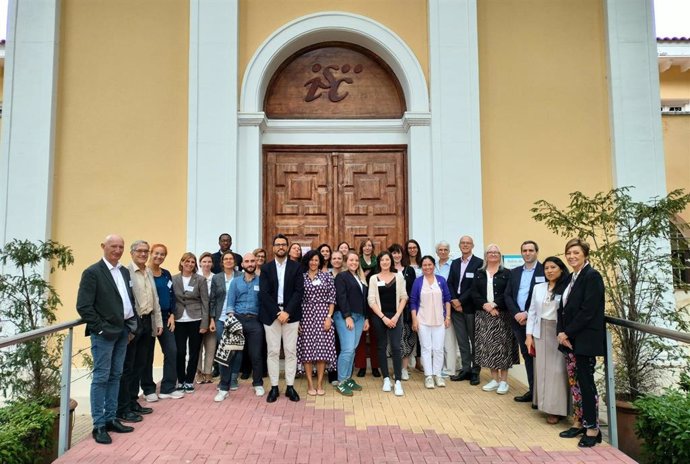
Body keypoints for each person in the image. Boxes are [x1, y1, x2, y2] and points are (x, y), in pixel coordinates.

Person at [76, 234, 136, 444]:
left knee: (116, 375)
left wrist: (130, 326)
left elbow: (129, 300)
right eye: (113, 246)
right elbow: (84, 306)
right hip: (104, 334)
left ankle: (111, 419)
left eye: (121, 246)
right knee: (101, 377)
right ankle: (98, 425)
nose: (117, 250)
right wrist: (100, 329)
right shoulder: (93, 272)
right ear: (103, 246)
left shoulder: (124, 271)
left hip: (122, 332)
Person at [557, 239, 605, 447]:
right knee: (575, 384)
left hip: (583, 339)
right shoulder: (571, 277)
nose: (571, 256)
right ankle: (579, 422)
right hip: (569, 340)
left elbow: (588, 311)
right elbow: (563, 308)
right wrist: (561, 332)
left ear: (585, 254)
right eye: (568, 253)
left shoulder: (592, 277)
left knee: (586, 384)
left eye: (576, 253)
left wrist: (567, 332)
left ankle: (593, 429)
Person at [117, 241, 163, 423]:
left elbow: (155, 299)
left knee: (140, 364)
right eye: (140, 251)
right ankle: (124, 406)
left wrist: (158, 321)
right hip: (133, 323)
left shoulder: (148, 272)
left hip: (147, 322)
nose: (143, 254)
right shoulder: (125, 272)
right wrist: (128, 326)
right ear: (132, 253)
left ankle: (134, 401)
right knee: (128, 366)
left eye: (146, 251)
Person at [259, 234, 304, 403]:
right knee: (273, 351)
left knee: (291, 351)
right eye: (277, 244)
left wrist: (287, 312)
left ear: (287, 247)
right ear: (273, 248)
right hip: (271, 315)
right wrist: (277, 313)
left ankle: (290, 387)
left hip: (291, 315)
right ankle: (275, 387)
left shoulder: (296, 267)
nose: (280, 247)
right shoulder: (266, 268)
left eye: (283, 244)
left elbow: (299, 292)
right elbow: (264, 293)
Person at [525, 256, 570, 424]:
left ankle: (556, 410)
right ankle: (543, 404)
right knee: (542, 370)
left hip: (558, 332)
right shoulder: (538, 287)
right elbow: (532, 312)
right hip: (540, 331)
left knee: (557, 371)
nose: (549, 271)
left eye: (553, 267)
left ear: (560, 269)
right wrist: (529, 336)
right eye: (546, 268)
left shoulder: (566, 288)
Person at [216, 253, 266, 400]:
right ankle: (224, 388)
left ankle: (258, 384)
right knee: (228, 354)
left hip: (255, 321)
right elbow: (230, 302)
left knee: (256, 355)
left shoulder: (262, 281)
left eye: (252, 261)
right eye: (247, 261)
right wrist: (231, 318)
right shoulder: (235, 282)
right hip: (237, 319)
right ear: (242, 264)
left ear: (256, 263)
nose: (250, 263)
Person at [472, 244, 518, 395]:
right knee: (489, 348)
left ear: (500, 255)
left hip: (501, 315)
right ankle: (494, 379)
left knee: (502, 348)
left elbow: (508, 292)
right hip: (484, 315)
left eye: (496, 252)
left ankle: (504, 381)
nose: (492, 254)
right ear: (486, 255)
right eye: (490, 252)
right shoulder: (479, 273)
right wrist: (486, 305)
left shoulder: (507, 273)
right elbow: (474, 292)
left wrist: (495, 304)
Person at [504, 240, 545, 403]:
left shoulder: (545, 270)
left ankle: (541, 394)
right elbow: (507, 295)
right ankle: (532, 390)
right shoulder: (514, 272)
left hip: (536, 321)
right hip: (518, 321)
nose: (527, 253)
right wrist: (516, 314)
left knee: (540, 357)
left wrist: (527, 314)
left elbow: (542, 297)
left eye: (531, 250)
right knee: (527, 355)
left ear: (536, 252)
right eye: (524, 250)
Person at [144, 244, 184, 400]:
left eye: (162, 254)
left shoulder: (166, 274)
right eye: (156, 253)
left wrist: (173, 314)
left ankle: (167, 388)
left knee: (172, 351)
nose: (159, 257)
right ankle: (148, 389)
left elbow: (172, 295)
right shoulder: (144, 273)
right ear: (150, 254)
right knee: (147, 355)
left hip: (166, 317)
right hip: (149, 318)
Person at [368, 251, 408, 396]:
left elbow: (404, 297)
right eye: (382, 260)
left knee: (396, 347)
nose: (385, 262)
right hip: (379, 317)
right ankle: (386, 378)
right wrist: (383, 317)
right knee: (381, 346)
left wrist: (397, 316)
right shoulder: (373, 278)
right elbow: (371, 301)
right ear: (379, 262)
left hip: (396, 317)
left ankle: (398, 381)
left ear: (391, 261)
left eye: (387, 259)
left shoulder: (399, 277)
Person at [297, 250, 337, 396]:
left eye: (316, 260)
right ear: (307, 261)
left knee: (322, 352)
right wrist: (298, 321)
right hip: (305, 315)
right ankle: (309, 384)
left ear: (320, 262)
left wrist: (328, 317)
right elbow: (297, 299)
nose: (313, 263)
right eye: (311, 260)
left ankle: (320, 384)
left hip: (322, 315)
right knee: (307, 351)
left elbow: (332, 299)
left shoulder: (327, 277)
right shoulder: (301, 277)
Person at [410, 255, 452, 389]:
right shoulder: (418, 282)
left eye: (430, 264)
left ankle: (438, 375)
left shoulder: (441, 280)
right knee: (426, 348)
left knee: (438, 349)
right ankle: (428, 376)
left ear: (434, 266)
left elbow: (447, 299)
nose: (427, 267)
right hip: (423, 320)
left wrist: (448, 317)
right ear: (421, 267)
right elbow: (413, 302)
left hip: (439, 320)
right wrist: (414, 320)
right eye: (424, 265)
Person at [172, 252, 212, 393]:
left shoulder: (200, 280)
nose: (189, 264)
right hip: (179, 320)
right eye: (187, 261)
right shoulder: (173, 279)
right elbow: (172, 300)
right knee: (180, 351)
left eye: (192, 262)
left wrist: (204, 323)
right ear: (182, 262)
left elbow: (205, 302)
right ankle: (180, 379)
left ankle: (189, 381)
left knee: (194, 351)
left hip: (196, 319)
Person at [448, 235, 483, 385]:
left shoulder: (479, 263)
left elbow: (475, 286)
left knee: (474, 340)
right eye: (462, 243)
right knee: (462, 341)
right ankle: (465, 369)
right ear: (459, 245)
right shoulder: (455, 263)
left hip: (470, 308)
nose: (465, 245)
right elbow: (449, 283)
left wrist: (460, 301)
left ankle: (475, 371)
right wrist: (454, 301)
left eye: (468, 243)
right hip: (456, 310)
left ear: (472, 245)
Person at [333, 251, 369, 396]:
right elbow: (341, 297)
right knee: (347, 349)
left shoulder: (360, 278)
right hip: (344, 316)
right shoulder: (342, 277)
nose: (353, 262)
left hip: (360, 317)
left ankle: (348, 378)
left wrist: (366, 318)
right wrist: (347, 316)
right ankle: (341, 381)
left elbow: (364, 299)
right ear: (345, 262)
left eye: (356, 260)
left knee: (352, 349)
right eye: (351, 260)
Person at [209, 251, 241, 386]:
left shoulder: (241, 276)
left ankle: (233, 378)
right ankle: (224, 379)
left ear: (235, 261)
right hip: (221, 318)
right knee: (223, 348)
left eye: (231, 259)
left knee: (236, 348)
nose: (228, 261)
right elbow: (212, 300)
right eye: (225, 259)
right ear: (222, 262)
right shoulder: (216, 278)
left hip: (237, 317)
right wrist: (212, 319)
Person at [389, 243, 417, 381]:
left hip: (406, 312)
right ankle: (396, 368)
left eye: (399, 252)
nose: (396, 255)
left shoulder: (409, 270)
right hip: (392, 312)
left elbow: (413, 292)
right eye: (394, 253)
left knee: (406, 340)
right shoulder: (387, 269)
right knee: (395, 341)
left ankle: (404, 369)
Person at [355, 238, 380, 378]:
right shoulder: (357, 262)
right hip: (360, 300)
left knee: (376, 334)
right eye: (365, 246)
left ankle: (376, 366)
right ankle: (362, 366)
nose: (368, 248)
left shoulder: (378, 261)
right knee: (361, 335)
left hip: (375, 301)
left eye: (370, 246)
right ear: (362, 248)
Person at [435, 241, 457, 378]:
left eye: (445, 250)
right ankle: (440, 367)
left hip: (449, 305)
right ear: (437, 252)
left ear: (449, 251)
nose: (443, 252)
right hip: (434, 307)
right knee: (438, 341)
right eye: (440, 250)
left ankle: (450, 369)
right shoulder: (433, 265)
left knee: (449, 340)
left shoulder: (454, 265)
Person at [196, 252, 216, 384]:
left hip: (213, 315)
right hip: (198, 316)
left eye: (209, 262)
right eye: (204, 262)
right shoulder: (195, 278)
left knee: (211, 345)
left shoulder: (216, 278)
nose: (207, 264)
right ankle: (198, 371)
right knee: (197, 346)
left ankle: (208, 372)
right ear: (200, 263)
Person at [405, 238, 424, 372]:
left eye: (414, 247)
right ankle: (409, 360)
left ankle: (419, 361)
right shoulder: (405, 265)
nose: (412, 250)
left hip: (424, 301)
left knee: (421, 332)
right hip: (411, 301)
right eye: (410, 247)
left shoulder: (423, 263)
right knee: (412, 330)